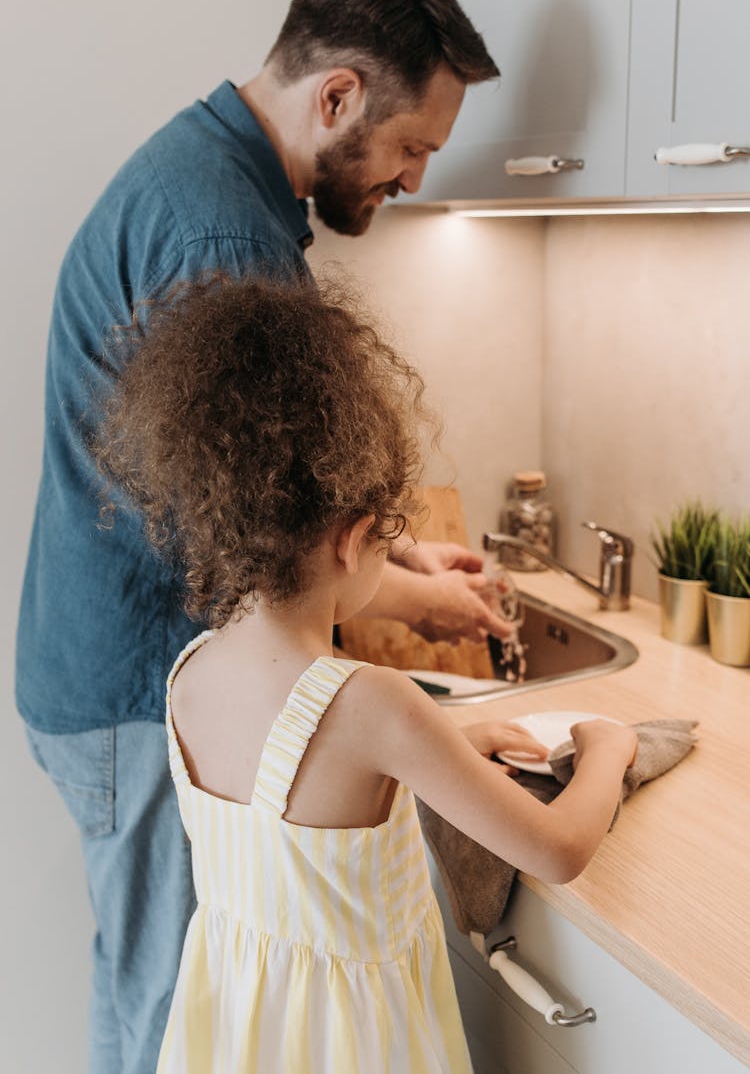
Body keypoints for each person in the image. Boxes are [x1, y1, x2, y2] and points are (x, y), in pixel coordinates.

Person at [16, 0, 510, 1069]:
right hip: (136, 686)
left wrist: (404, 556)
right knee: (171, 1014)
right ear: (337, 96)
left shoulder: (208, 173)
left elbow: (270, 500)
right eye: (410, 147)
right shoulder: (226, 243)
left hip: (101, 674)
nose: (413, 179)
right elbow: (268, 538)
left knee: (139, 982)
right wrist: (429, 598)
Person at [93, 274, 638, 1073]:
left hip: (241, 1039)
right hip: (356, 1046)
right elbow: (556, 849)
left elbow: (307, 800)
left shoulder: (189, 674)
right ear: (351, 540)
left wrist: (457, 742)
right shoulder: (373, 703)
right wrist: (608, 747)